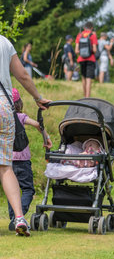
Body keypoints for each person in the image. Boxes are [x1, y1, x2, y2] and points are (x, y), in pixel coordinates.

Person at [0, 34, 51, 236]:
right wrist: (38, 98)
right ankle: (19, 218)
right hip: (4, 107)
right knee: (5, 166)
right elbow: (23, 75)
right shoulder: (4, 41)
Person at [7, 88, 52, 231]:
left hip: (7, 162)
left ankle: (14, 217)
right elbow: (38, 125)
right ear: (19, 103)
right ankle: (17, 217)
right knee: (28, 189)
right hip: (23, 161)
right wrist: (46, 138)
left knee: (11, 189)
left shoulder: (4, 117)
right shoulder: (20, 116)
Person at [75, 21, 98, 98]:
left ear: (84, 27)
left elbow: (76, 50)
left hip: (81, 59)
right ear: (92, 28)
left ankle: (84, 96)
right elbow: (94, 50)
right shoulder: (92, 35)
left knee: (84, 77)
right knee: (89, 78)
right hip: (90, 59)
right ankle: (88, 97)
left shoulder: (80, 35)